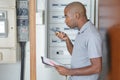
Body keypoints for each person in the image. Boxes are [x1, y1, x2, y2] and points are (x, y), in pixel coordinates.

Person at [54, 2, 102, 80]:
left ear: (76, 15)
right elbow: (75, 53)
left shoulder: (91, 35)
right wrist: (67, 39)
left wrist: (69, 72)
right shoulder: (82, 32)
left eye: (66, 16)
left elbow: (97, 68)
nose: (65, 21)